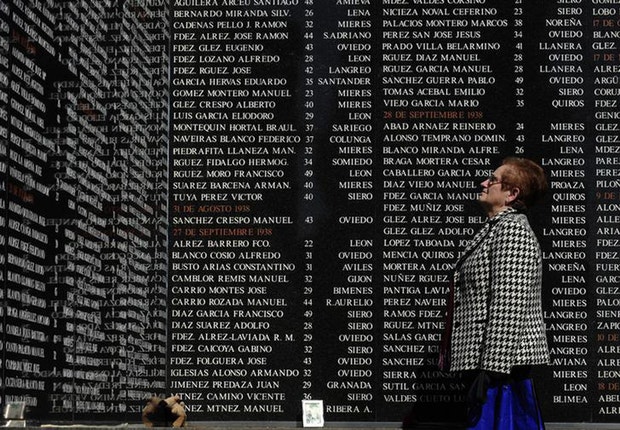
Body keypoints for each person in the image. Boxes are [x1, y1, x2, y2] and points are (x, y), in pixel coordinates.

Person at [439, 157, 549, 429]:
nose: (484, 183)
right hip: (492, 365)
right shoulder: (496, 230)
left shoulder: (512, 232)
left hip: (503, 370)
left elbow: (508, 304)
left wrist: (491, 370)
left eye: (493, 179)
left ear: (512, 194)